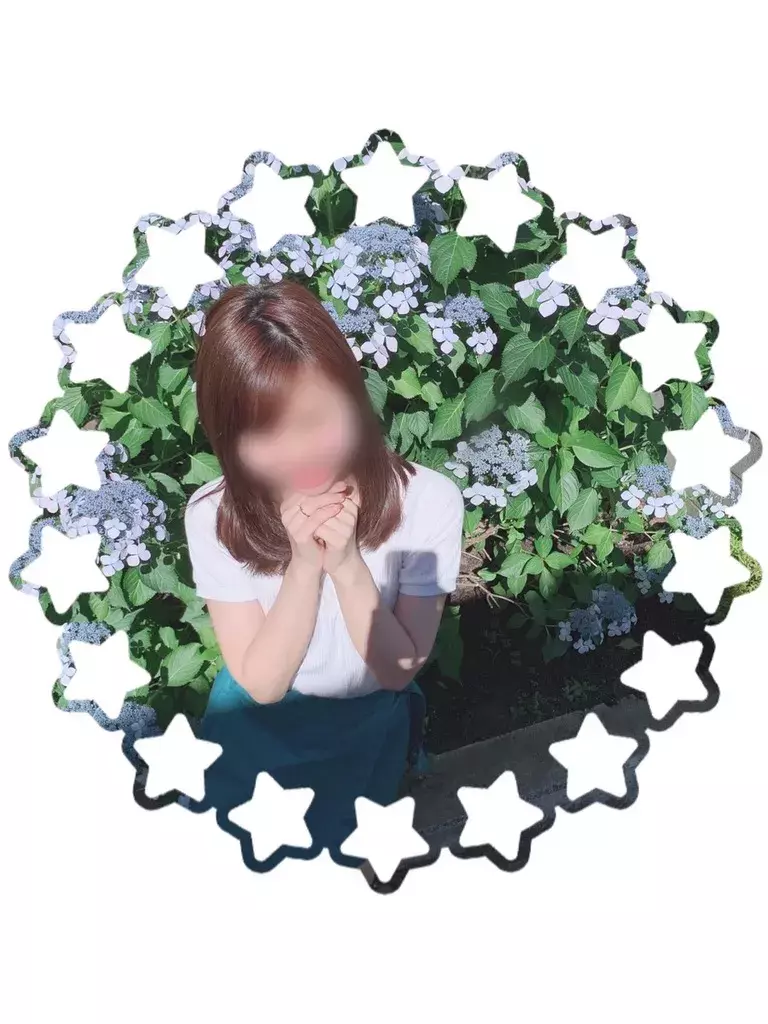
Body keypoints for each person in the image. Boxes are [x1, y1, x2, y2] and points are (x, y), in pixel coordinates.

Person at [183, 278, 465, 856]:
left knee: (346, 850)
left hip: (366, 725)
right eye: (264, 431)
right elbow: (263, 685)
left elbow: (396, 670)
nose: (299, 452)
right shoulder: (213, 515)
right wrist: (304, 567)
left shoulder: (429, 502)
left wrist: (347, 565)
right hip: (254, 726)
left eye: (315, 418)